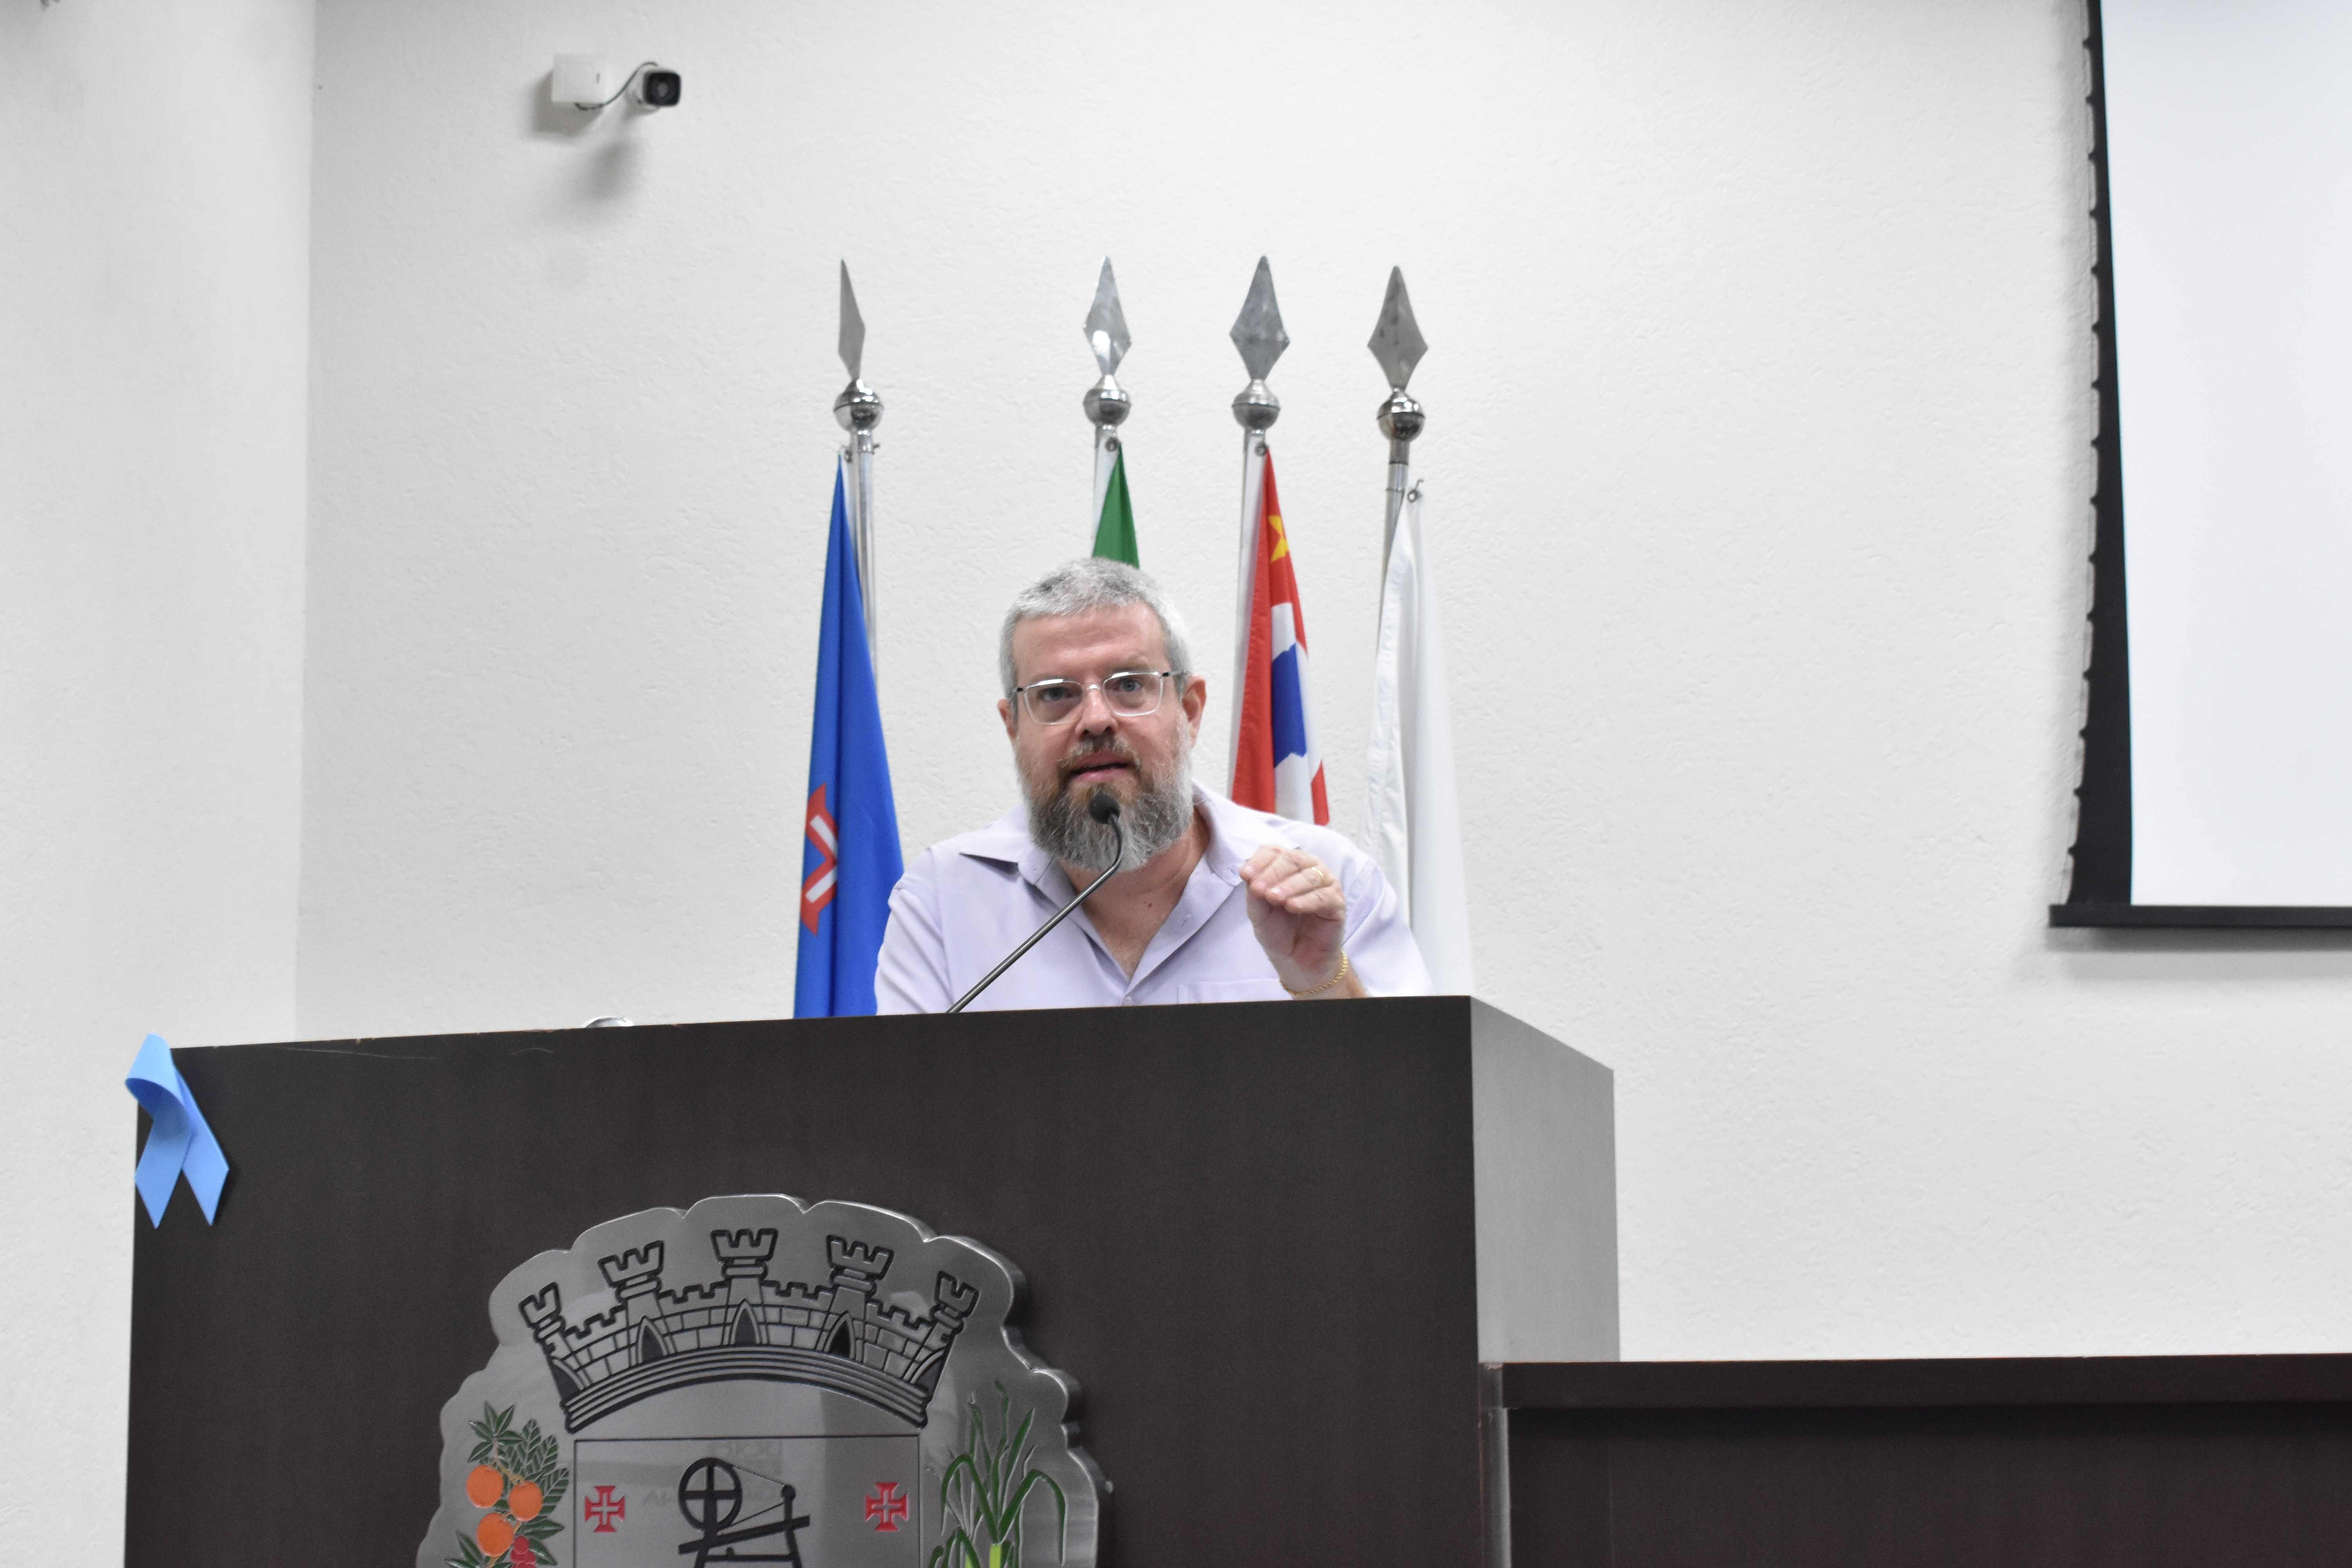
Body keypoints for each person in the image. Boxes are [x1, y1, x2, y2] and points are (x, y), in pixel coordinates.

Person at [874, 558, 1431, 1012]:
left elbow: (1420, 1101)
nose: (1095, 719)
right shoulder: (944, 899)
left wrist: (1321, 981)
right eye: (1056, 694)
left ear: (1189, 710)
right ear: (1013, 727)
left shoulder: (1328, 883)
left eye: (1129, 685)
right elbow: (899, 1108)